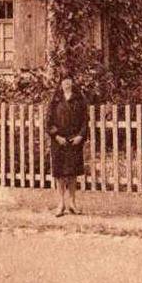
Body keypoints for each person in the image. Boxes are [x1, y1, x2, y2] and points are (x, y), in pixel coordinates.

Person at [46, 76, 87, 217]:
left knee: (73, 174)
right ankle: (61, 204)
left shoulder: (79, 100)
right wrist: (56, 136)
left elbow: (85, 121)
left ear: (73, 82)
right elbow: (49, 122)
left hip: (74, 141)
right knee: (60, 175)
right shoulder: (55, 100)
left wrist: (80, 136)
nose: (67, 83)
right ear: (61, 83)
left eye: (69, 80)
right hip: (59, 142)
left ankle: (72, 204)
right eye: (64, 81)